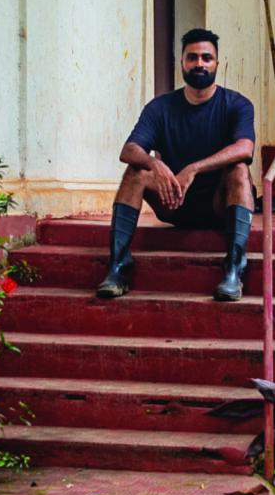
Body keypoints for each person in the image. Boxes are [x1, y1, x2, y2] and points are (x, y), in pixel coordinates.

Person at [97, 28, 257, 301]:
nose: (199, 64)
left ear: (218, 64)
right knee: (136, 171)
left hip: (220, 205)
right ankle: (118, 266)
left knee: (240, 170)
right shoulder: (161, 107)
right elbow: (129, 150)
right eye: (192, 57)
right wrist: (155, 165)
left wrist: (193, 169)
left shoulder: (236, 104)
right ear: (181, 62)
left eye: (207, 58)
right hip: (174, 202)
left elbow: (245, 148)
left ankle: (233, 269)